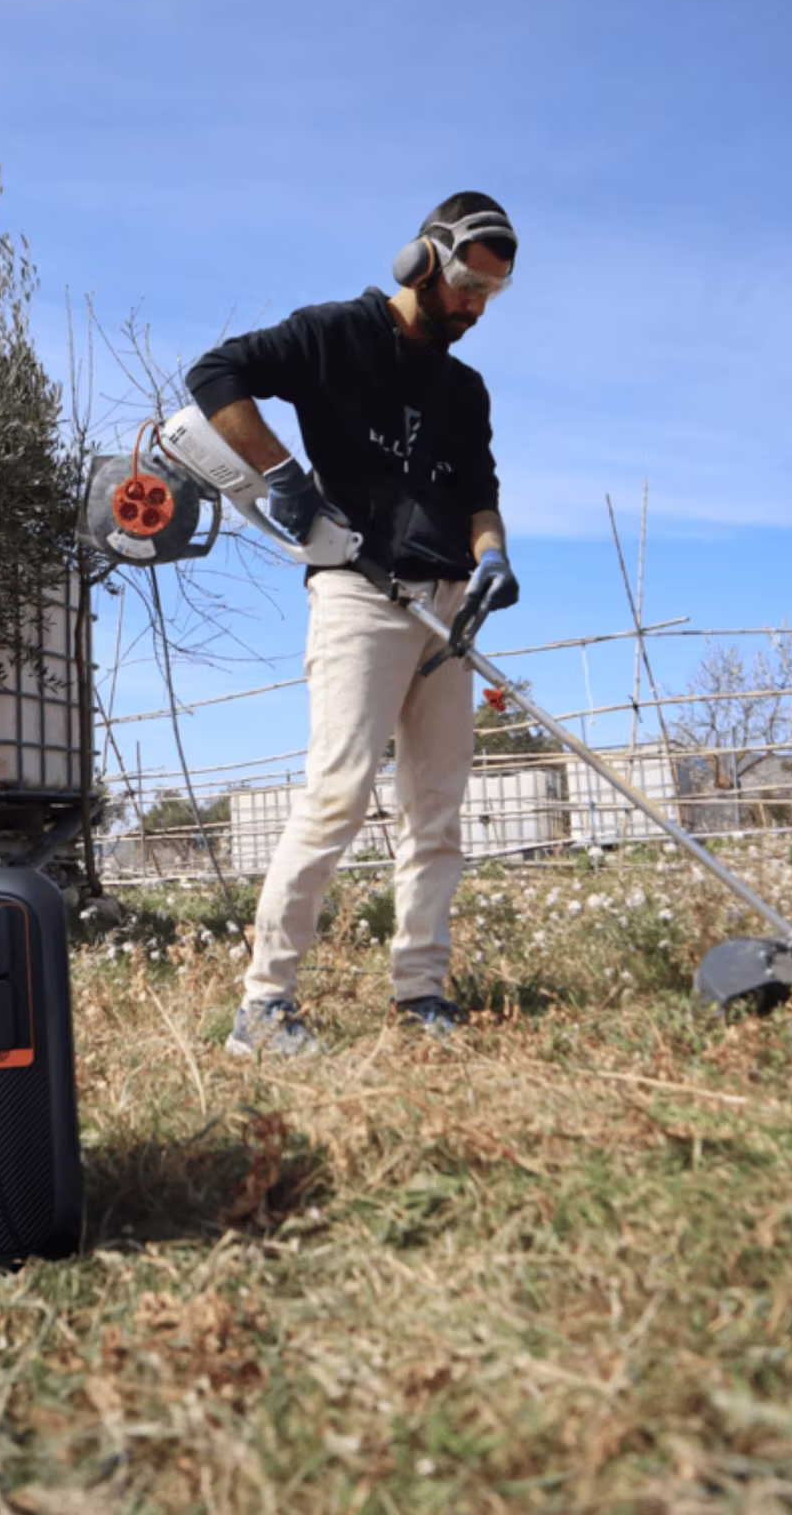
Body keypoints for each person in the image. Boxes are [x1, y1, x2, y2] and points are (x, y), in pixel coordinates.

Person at [184, 192, 521, 1057]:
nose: (476, 309)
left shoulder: (465, 388)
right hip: (360, 596)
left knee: (437, 813)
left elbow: (480, 493)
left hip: (447, 606)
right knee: (337, 796)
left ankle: (421, 994)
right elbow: (214, 375)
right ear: (420, 263)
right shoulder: (335, 335)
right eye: (466, 287)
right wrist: (283, 473)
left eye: (492, 295)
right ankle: (264, 1008)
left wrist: (493, 559)